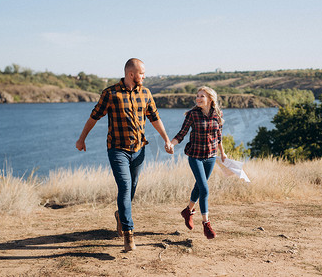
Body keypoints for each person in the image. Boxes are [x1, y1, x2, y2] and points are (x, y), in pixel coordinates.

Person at [76, 58, 173, 252]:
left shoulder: (145, 93)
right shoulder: (111, 93)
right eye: (142, 73)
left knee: (132, 187)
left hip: (138, 149)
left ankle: (121, 215)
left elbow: (155, 118)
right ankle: (129, 233)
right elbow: (94, 116)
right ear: (131, 74)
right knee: (125, 185)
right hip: (117, 149)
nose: (144, 76)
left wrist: (166, 139)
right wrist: (81, 139)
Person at [170, 86, 227, 239]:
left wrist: (223, 153)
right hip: (195, 156)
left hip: (211, 157)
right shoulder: (192, 114)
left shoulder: (218, 115)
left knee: (199, 186)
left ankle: (188, 211)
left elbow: (219, 136)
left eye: (202, 96)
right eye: (197, 96)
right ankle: (206, 224)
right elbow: (182, 133)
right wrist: (171, 144)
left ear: (210, 99)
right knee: (204, 189)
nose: (198, 98)